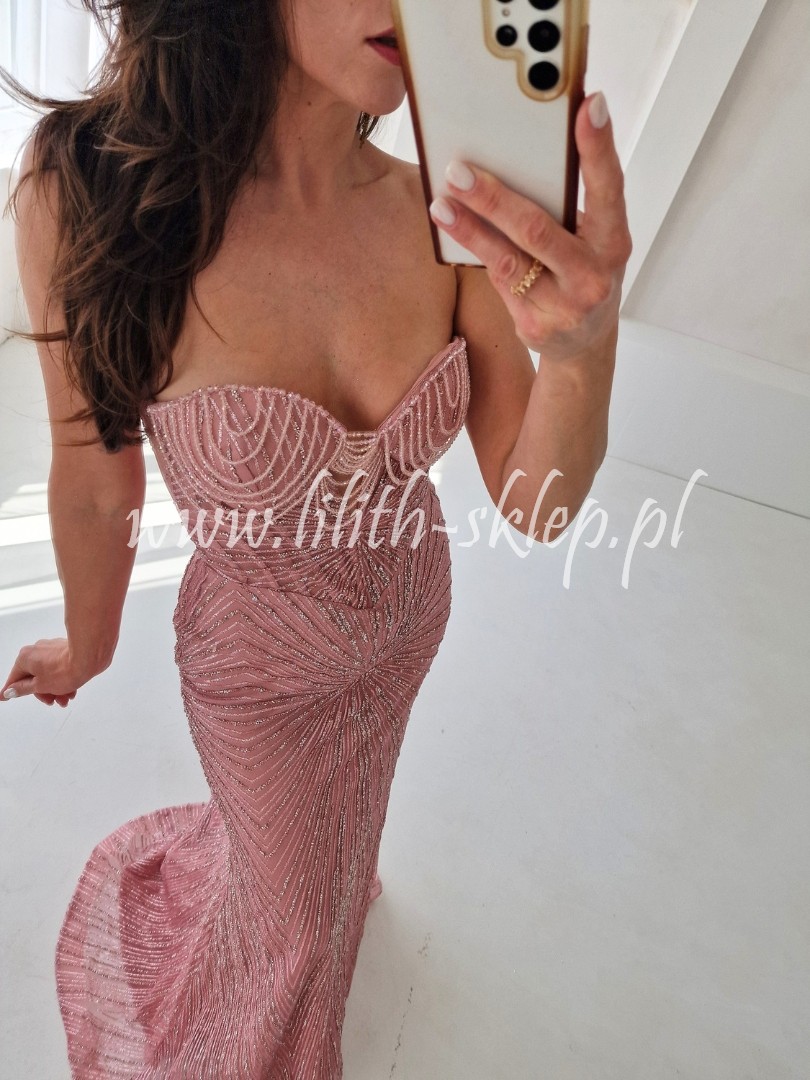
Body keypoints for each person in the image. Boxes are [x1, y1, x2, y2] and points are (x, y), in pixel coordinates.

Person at [0, 1, 631, 1075]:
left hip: (404, 625)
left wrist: (582, 353)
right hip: (259, 671)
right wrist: (86, 646)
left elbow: (536, 504)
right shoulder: (87, 189)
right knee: (290, 917)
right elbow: (95, 475)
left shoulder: (447, 204)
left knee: (335, 854)